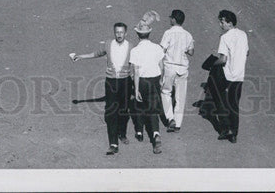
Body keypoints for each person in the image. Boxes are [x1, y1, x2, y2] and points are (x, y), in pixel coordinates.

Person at [71, 22, 133, 156]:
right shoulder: (108, 44)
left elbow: (139, 64)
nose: (119, 35)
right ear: (114, 32)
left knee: (123, 110)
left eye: (122, 32)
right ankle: (113, 143)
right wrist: (80, 56)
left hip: (125, 82)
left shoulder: (131, 47)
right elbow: (96, 53)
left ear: (126, 33)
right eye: (117, 32)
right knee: (111, 112)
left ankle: (122, 133)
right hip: (111, 82)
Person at [129, 11, 165, 155]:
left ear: (138, 35)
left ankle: (139, 131)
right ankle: (155, 133)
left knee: (138, 106)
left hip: (143, 81)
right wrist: (161, 80)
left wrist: (136, 89)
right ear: (149, 34)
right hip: (155, 80)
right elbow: (162, 66)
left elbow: (136, 72)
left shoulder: (135, 50)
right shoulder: (157, 48)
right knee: (152, 108)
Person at [212, 9, 249, 143]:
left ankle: (226, 128)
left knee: (221, 101)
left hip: (227, 75)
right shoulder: (243, 34)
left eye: (222, 22)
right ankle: (234, 133)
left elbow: (223, 59)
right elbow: (247, 52)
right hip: (239, 75)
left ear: (230, 23)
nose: (221, 25)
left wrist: (212, 64)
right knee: (234, 104)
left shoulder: (225, 37)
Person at [160, 10, 194, 133]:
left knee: (165, 92)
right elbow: (191, 52)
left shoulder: (168, 33)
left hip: (170, 66)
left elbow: (162, 50)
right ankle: (178, 123)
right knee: (181, 96)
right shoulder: (188, 35)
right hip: (183, 67)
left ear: (174, 19)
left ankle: (170, 118)